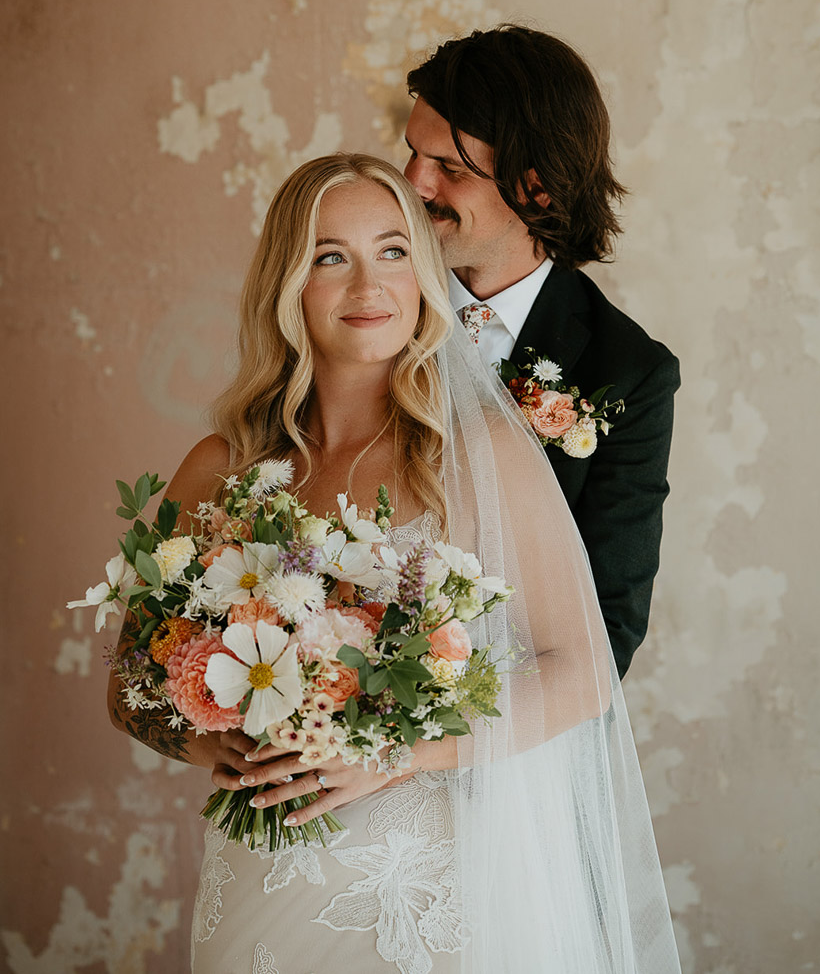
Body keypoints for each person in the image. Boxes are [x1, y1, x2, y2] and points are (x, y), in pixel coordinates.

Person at [108, 154, 680, 973]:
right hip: (265, 871)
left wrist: (393, 753)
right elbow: (130, 678)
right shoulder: (218, 465)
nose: (365, 285)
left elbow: (582, 668)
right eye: (329, 256)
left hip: (427, 876)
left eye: (392, 250)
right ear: (287, 280)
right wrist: (212, 745)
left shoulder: (479, 453)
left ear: (421, 274)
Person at [405, 25, 681, 678]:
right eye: (412, 152)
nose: (412, 183)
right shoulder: (368, 304)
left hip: (508, 736)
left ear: (536, 187)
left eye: (447, 167)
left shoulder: (625, 374)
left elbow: (606, 628)